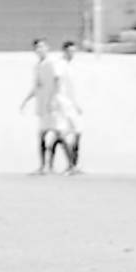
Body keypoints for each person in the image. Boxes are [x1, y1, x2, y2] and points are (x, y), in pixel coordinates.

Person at [19, 38, 68, 174]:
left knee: (59, 133)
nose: (40, 50)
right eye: (37, 48)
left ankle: (70, 164)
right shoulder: (37, 66)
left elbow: (57, 80)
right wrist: (26, 101)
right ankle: (43, 166)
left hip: (53, 105)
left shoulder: (52, 63)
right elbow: (37, 86)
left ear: (47, 48)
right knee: (42, 134)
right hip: (42, 106)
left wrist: (53, 100)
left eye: (42, 47)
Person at [55, 40, 84, 174]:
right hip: (62, 103)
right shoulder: (60, 65)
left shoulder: (71, 66)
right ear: (65, 51)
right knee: (62, 133)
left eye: (74, 51)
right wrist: (55, 100)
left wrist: (76, 104)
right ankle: (70, 164)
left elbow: (72, 88)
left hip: (71, 104)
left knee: (78, 131)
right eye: (70, 51)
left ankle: (74, 164)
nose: (72, 54)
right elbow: (57, 82)